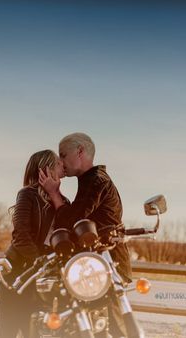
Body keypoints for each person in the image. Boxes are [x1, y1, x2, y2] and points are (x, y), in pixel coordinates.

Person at [39, 132, 132, 337]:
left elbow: (74, 221)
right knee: (92, 325)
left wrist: (54, 194)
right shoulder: (91, 181)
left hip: (106, 264)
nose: (61, 162)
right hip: (97, 265)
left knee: (115, 329)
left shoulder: (95, 180)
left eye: (63, 155)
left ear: (79, 151)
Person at [0, 150, 65, 338]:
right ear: (47, 169)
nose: (63, 165)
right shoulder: (27, 194)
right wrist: (39, 260)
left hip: (45, 277)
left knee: (35, 332)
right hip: (19, 273)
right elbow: (21, 236)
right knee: (7, 331)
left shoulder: (63, 201)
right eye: (58, 163)